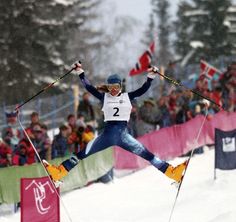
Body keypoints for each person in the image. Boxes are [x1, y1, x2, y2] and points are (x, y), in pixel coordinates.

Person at [44, 62, 187, 183]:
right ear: (108, 87)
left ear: (120, 87)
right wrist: (81, 73)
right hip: (111, 134)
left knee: (146, 154)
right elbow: (89, 87)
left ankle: (171, 173)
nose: (113, 91)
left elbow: (142, 90)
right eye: (111, 88)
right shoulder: (104, 96)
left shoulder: (126, 96)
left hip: (120, 134)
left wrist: (150, 77)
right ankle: (59, 172)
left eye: (116, 88)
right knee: (82, 153)